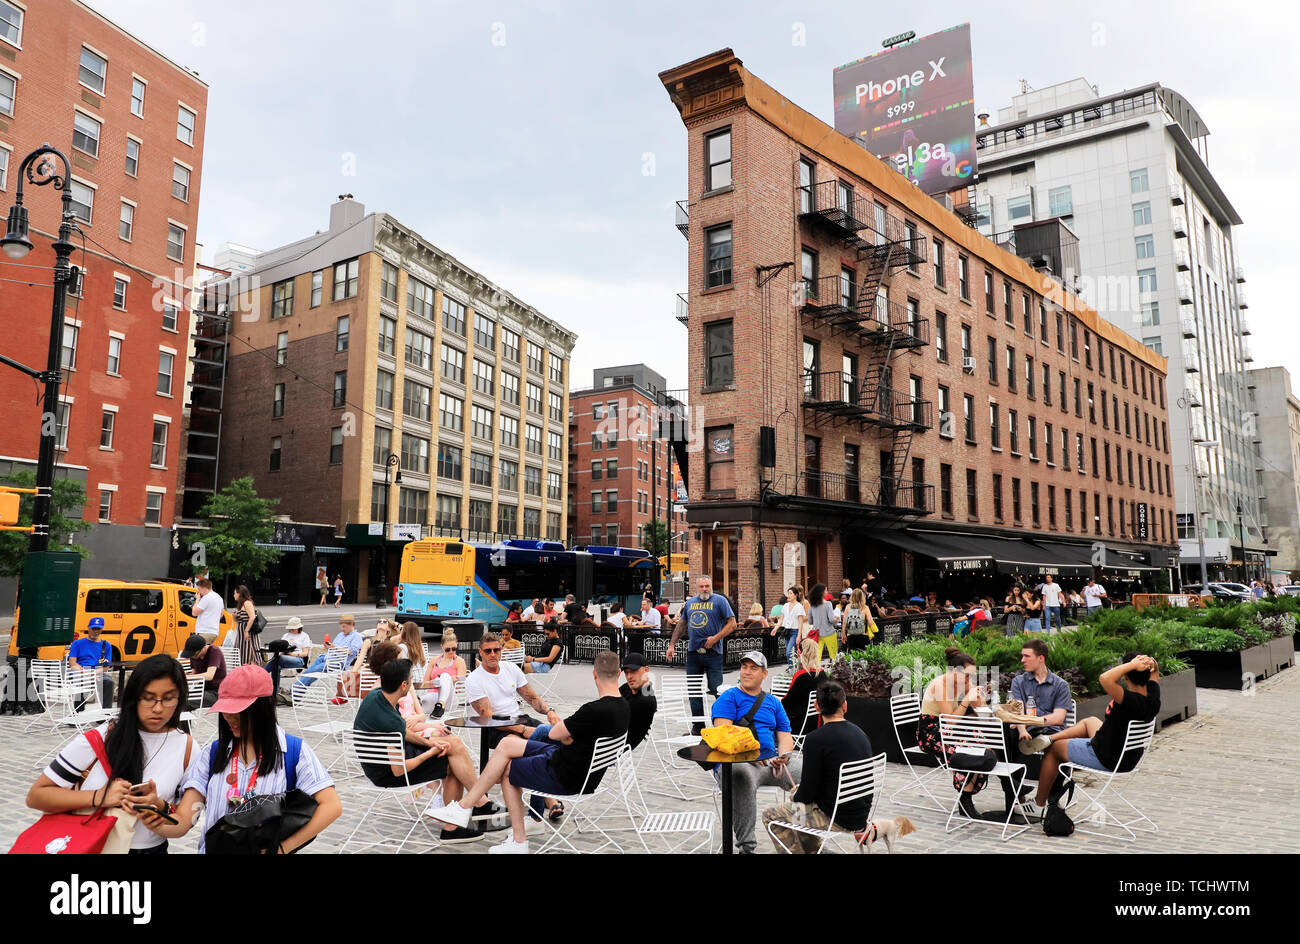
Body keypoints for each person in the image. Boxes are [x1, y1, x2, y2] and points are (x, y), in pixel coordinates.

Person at [432, 650, 630, 854]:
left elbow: (555, 734)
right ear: (619, 674)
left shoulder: (593, 710)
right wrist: (568, 735)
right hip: (581, 769)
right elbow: (565, 735)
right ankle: (463, 807)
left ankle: (518, 841)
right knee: (507, 746)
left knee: (508, 770)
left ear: (595, 674)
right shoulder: (624, 707)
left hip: (566, 774)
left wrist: (566, 734)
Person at [146, 665, 340, 854]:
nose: (230, 717)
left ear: (262, 708)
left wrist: (281, 849)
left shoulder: (293, 753)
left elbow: (331, 806)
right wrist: (153, 816)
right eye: (226, 710)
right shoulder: (212, 754)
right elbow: (183, 821)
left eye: (239, 711)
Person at [27, 654, 195, 854]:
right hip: (94, 845)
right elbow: (36, 796)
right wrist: (100, 796)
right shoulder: (100, 738)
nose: (158, 709)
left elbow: (184, 824)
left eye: (168, 699)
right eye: (148, 698)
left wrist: (158, 810)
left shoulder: (187, 747)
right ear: (134, 697)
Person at [354, 644, 504, 843]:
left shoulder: (376, 698)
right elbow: (399, 770)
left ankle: (478, 802)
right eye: (410, 680)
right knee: (450, 763)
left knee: (453, 743)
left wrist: (430, 742)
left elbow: (404, 733)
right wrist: (431, 750)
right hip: (387, 772)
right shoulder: (390, 722)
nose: (412, 683)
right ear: (403, 686)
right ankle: (454, 826)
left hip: (383, 761)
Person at [1025, 653, 1160, 813]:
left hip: (1107, 755)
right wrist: (1152, 664)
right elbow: (1155, 673)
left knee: (1054, 750)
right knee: (1090, 721)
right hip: (1128, 756)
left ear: (1126, 677)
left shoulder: (1128, 699)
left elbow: (1105, 678)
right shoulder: (1153, 698)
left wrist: (1131, 664)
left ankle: (1039, 804)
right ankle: (1049, 737)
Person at [762, 680, 875, 853]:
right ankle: (816, 851)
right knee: (799, 808)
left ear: (816, 706)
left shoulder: (815, 739)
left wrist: (795, 795)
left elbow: (807, 794)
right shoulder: (861, 734)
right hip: (861, 814)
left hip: (833, 817)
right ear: (844, 706)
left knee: (771, 816)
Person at [710, 651, 800, 855]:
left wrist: (783, 757)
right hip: (737, 762)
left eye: (753, 668)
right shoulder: (729, 697)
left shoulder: (773, 702)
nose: (747, 672)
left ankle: (810, 839)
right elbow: (724, 735)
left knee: (810, 769)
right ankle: (747, 848)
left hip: (770, 763)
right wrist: (752, 754)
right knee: (740, 775)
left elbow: (785, 736)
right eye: (744, 667)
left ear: (764, 674)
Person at [917, 648, 989, 818]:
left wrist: (979, 696)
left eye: (972, 675)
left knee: (984, 741)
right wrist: (966, 699)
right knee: (967, 749)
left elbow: (981, 709)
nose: (969, 679)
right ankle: (966, 798)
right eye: (967, 675)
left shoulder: (964, 682)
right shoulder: (940, 685)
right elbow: (949, 721)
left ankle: (1007, 785)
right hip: (931, 732)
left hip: (951, 730)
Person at [666, 575, 737, 729]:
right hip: (693, 653)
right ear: (696, 588)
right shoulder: (690, 603)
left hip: (713, 653)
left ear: (711, 586)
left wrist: (716, 638)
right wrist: (672, 645)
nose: (705, 589)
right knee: (693, 692)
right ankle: (698, 727)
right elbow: (681, 625)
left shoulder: (720, 601)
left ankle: (721, 726)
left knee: (717, 691)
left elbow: (732, 624)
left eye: (707, 586)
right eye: (702, 586)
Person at [465, 632, 558, 741]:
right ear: (480, 652)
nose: (493, 654)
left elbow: (532, 698)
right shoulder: (474, 679)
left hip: (519, 719)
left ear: (501, 650)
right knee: (526, 746)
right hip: (496, 728)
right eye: (488, 651)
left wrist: (549, 711)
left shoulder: (511, 668)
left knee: (559, 736)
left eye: (496, 650)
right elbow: (488, 717)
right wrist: (523, 730)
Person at [293, 614, 364, 692]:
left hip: (338, 663)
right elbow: (333, 648)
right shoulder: (340, 635)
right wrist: (329, 647)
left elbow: (352, 652)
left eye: (344, 627)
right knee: (309, 671)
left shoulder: (356, 637)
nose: (342, 629)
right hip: (326, 657)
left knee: (314, 670)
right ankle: (297, 689)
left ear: (351, 625)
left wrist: (335, 648)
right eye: (341, 626)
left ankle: (295, 690)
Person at [67, 616, 115, 709]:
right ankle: (78, 712)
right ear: (88, 628)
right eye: (93, 628)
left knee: (109, 682)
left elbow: (106, 667)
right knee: (81, 681)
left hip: (96, 672)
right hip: (80, 671)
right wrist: (86, 673)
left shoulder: (107, 645)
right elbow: (72, 664)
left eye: (98, 629)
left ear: (102, 629)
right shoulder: (77, 643)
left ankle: (104, 714)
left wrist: (93, 673)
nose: (96, 631)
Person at [783, 639, 827, 735]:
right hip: (816, 723)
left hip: (797, 724)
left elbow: (787, 703)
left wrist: (776, 699)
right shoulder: (822, 673)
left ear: (800, 653)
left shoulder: (800, 675)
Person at [421, 630, 466, 718]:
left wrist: (444, 680)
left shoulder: (459, 661)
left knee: (445, 676)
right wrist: (435, 682)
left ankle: (440, 705)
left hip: (450, 699)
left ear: (457, 645)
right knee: (421, 702)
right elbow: (424, 683)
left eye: (454, 649)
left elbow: (461, 685)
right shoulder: (434, 660)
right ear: (442, 647)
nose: (451, 652)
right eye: (447, 649)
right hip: (432, 696)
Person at [619, 652, 657, 751]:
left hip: (615, 748)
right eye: (626, 672)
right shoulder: (628, 687)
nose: (629, 676)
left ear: (646, 670)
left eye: (633, 671)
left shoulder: (645, 701)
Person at [267, 616, 312, 695]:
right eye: (290, 628)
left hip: (299, 659)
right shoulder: (286, 635)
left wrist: (292, 654)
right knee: (276, 665)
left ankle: (262, 674)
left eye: (293, 628)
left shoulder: (304, 636)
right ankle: (275, 692)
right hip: (284, 658)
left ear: (299, 627)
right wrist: (282, 652)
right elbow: (280, 649)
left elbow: (305, 653)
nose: (291, 630)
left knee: (278, 659)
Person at [181, 633, 227, 708]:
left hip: (216, 692)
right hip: (201, 689)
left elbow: (209, 676)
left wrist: (187, 677)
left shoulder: (214, 651)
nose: (193, 657)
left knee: (184, 701)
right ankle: (181, 719)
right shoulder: (194, 656)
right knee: (177, 698)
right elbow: (194, 675)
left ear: (203, 648)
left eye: (195, 654)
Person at [774, 585, 807, 669]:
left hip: (794, 632)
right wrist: (775, 628)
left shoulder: (799, 606)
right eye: (788, 593)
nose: (788, 595)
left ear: (796, 595)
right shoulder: (785, 606)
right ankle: (793, 668)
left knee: (789, 652)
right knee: (789, 652)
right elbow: (781, 619)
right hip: (786, 631)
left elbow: (800, 622)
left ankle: (792, 669)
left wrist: (799, 636)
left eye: (790, 593)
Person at [806, 583, 838, 662]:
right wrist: (836, 620)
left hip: (817, 633)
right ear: (822, 592)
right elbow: (831, 619)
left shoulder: (812, 605)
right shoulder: (828, 604)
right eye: (826, 590)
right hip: (829, 632)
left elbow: (810, 621)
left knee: (817, 656)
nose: (827, 592)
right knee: (833, 655)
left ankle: (817, 672)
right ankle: (835, 672)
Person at [231, 585, 261, 668]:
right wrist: (234, 617)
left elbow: (252, 617)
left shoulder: (247, 603)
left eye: (235, 593)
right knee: (242, 654)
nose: (234, 595)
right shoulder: (242, 605)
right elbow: (240, 621)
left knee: (248, 654)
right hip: (241, 636)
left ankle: (250, 673)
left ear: (239, 594)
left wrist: (246, 631)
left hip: (248, 634)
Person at [841, 588, 874, 652]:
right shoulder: (865, 607)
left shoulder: (848, 607)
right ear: (862, 597)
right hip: (863, 635)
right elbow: (870, 622)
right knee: (863, 657)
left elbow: (844, 622)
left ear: (852, 597)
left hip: (851, 635)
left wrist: (843, 634)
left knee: (852, 657)